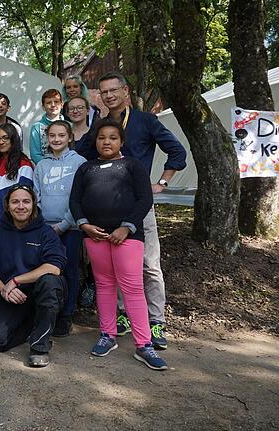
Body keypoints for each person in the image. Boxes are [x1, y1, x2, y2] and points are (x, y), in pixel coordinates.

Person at [98, 71, 187, 349]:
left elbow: (178, 153)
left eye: (114, 90)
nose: (109, 96)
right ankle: (124, 315)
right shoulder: (101, 126)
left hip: (140, 202)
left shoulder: (146, 120)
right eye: (104, 92)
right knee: (119, 264)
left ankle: (156, 320)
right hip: (110, 204)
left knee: (149, 264)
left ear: (126, 91)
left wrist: (161, 182)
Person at [69, 120, 168, 371]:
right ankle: (107, 334)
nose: (106, 142)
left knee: (133, 287)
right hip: (95, 236)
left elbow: (145, 199)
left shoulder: (132, 166)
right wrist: (84, 225)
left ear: (121, 141)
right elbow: (75, 200)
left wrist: (127, 227)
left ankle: (144, 344)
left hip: (128, 236)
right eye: (102, 138)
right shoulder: (86, 168)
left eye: (113, 137)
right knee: (104, 285)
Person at [0, 185, 67, 368]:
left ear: (34, 204)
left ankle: (39, 346)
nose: (21, 206)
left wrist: (15, 281)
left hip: (40, 292)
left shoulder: (45, 232)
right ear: (8, 206)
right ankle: (30, 326)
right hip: (11, 296)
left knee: (50, 281)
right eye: (15, 202)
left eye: (26, 201)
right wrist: (4, 289)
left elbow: (54, 267)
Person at [33, 120, 86, 337]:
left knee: (69, 270)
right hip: (44, 228)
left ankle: (66, 314)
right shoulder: (42, 165)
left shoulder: (79, 162)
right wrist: (41, 224)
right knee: (45, 269)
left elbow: (79, 197)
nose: (56, 139)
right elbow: (35, 195)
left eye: (61, 135)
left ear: (70, 137)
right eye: (52, 135)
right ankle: (46, 312)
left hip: (70, 227)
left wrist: (63, 225)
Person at [0, 124, 34, 230]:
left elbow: (23, 201)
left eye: (5, 138)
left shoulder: (24, 165)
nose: (1, 142)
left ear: (13, 139)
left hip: (14, 226)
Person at [29, 89, 65, 164]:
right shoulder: (36, 128)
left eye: (56, 102)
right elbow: (35, 154)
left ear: (62, 104)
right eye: (48, 103)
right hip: (45, 169)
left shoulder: (69, 126)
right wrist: (50, 165)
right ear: (43, 107)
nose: (53, 105)